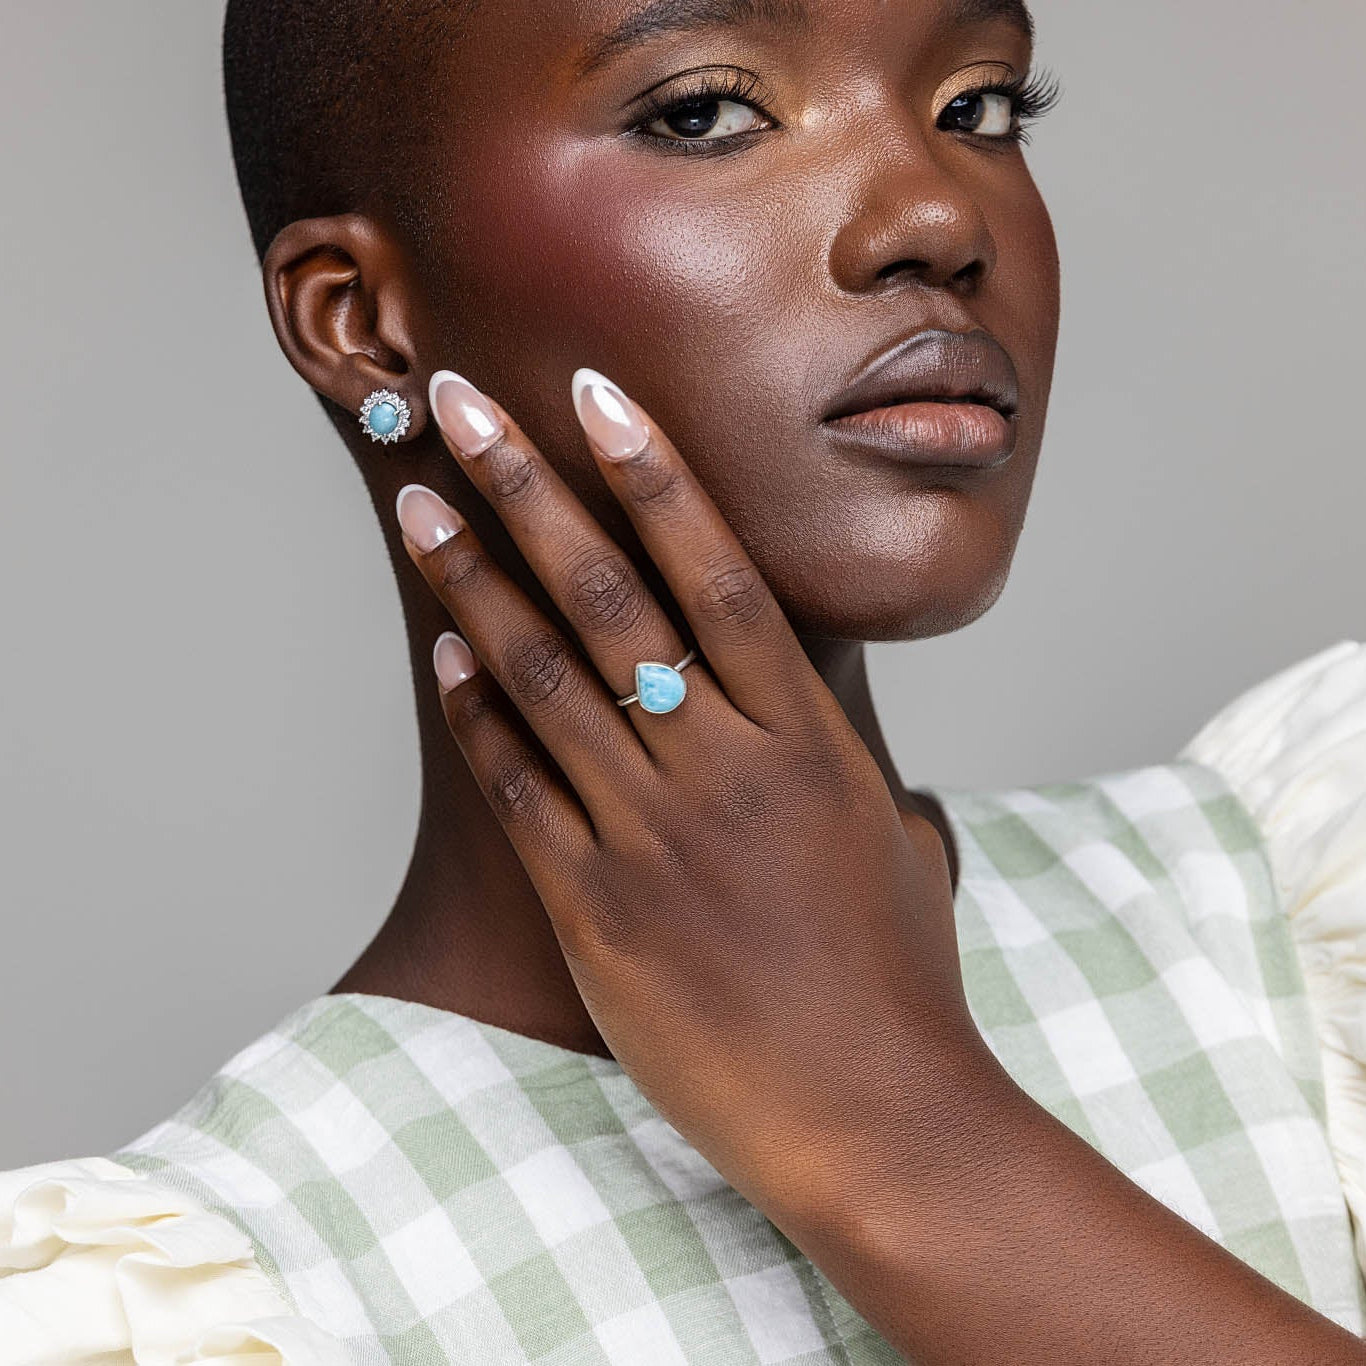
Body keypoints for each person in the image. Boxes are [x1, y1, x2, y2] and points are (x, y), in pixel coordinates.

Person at [2, 0, 1363, 1360]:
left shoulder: (1286, 927)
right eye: (704, 112)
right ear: (359, 321)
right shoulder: (213, 1302)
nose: (936, 218)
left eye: (980, 107)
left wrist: (906, 1139)